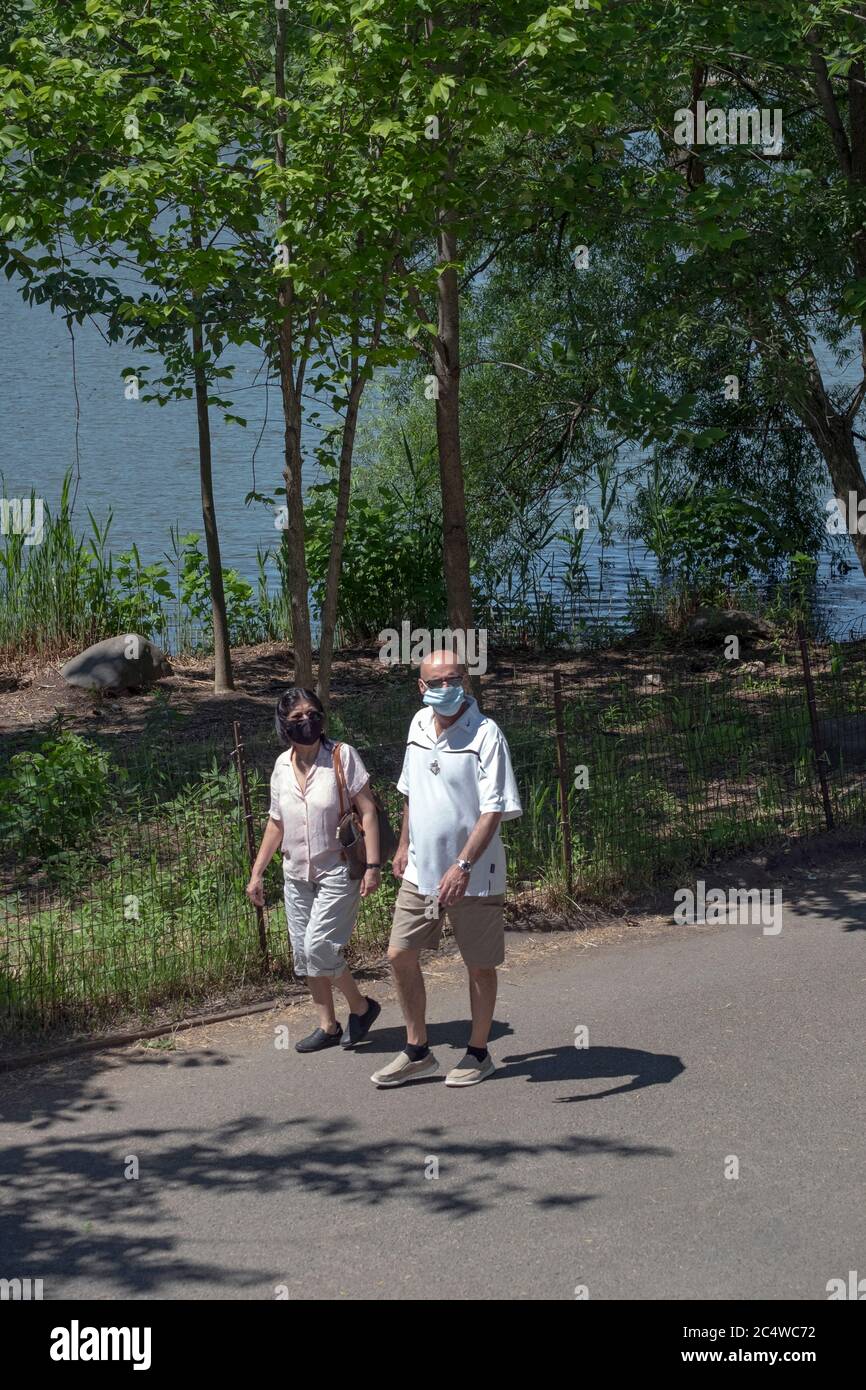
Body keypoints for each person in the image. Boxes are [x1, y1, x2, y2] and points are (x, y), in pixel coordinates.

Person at [371, 649, 522, 1089]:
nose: (444, 688)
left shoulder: (487, 735)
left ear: (467, 682)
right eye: (435, 682)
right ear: (421, 688)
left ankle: (478, 1053)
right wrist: (401, 846)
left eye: (453, 679)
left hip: (474, 874)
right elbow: (409, 792)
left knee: (478, 964)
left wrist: (462, 865)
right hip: (421, 870)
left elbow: (493, 809)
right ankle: (417, 1051)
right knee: (399, 954)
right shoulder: (418, 725)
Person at [247, 687, 382, 1052]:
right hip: (295, 874)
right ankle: (328, 1025)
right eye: (296, 718)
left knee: (319, 947)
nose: (307, 722)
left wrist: (372, 865)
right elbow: (277, 823)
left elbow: (367, 810)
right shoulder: (280, 766)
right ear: (283, 725)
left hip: (337, 869)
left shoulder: (341, 756)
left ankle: (361, 1006)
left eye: (312, 714)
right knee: (304, 954)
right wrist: (257, 872)